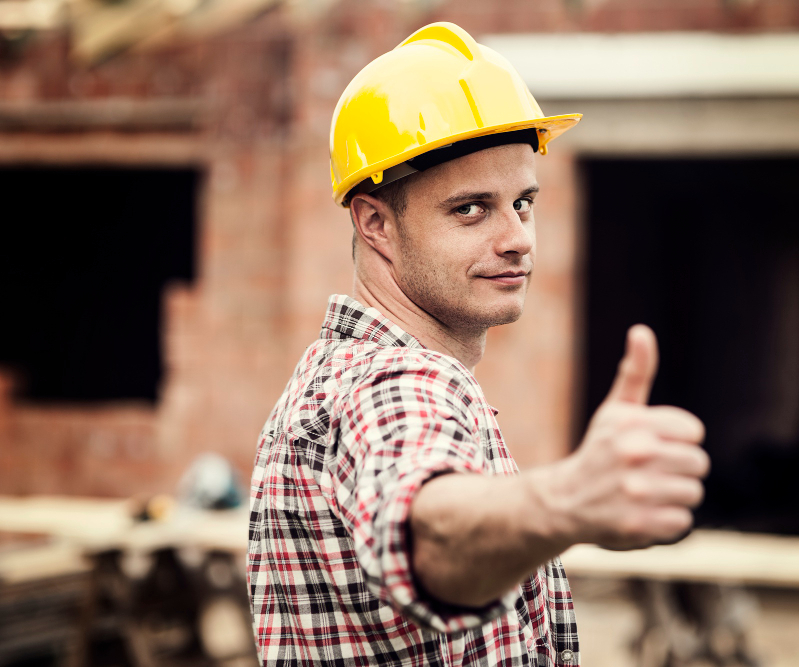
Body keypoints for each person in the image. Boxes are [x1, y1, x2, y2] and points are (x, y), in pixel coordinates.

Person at [247, 22, 710, 667]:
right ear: (376, 222)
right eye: (470, 208)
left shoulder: (337, 374)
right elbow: (426, 536)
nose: (518, 238)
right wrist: (566, 500)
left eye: (523, 202)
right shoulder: (394, 384)